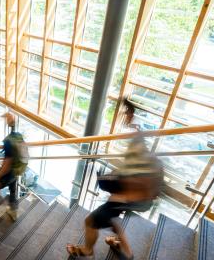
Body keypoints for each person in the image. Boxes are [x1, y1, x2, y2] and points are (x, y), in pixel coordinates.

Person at [66, 99, 164, 260]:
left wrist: (122, 197)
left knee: (90, 221)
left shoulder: (135, 178)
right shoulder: (140, 150)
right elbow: (137, 132)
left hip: (131, 198)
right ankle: (126, 252)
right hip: (135, 198)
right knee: (112, 219)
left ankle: (87, 250)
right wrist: (130, 116)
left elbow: (139, 187)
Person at [0, 112, 28, 221]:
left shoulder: (8, 141)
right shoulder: (18, 136)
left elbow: (7, 164)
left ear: (7, 123)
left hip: (9, 172)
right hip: (17, 169)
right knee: (13, 190)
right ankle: (13, 211)